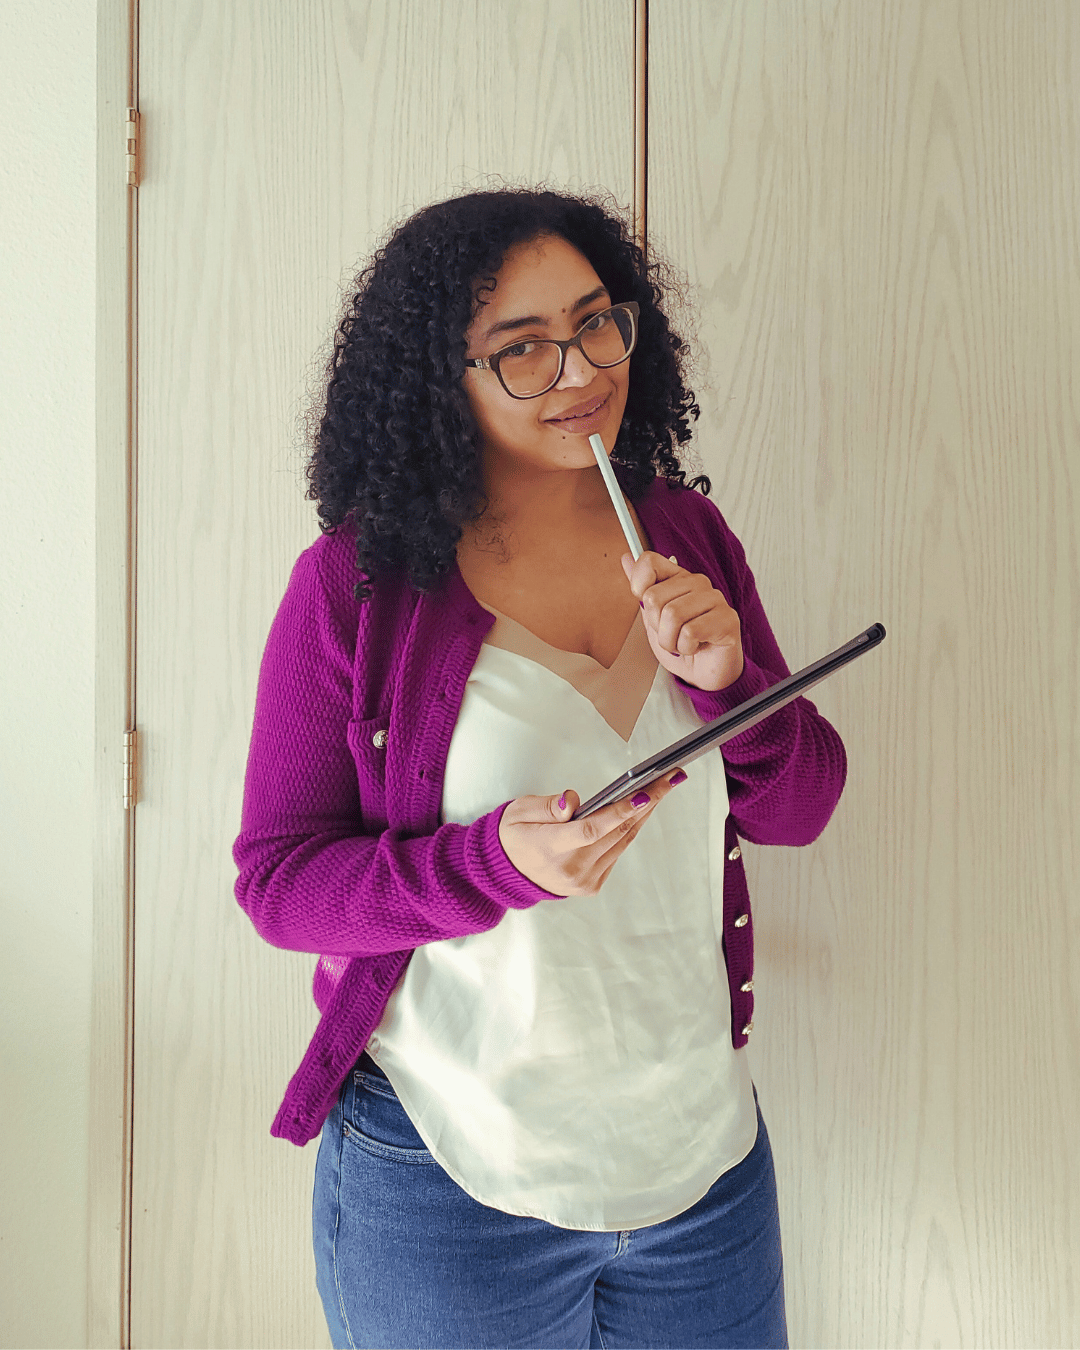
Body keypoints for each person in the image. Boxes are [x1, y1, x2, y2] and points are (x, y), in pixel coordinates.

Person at [233, 186, 847, 1350]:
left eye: (596, 322)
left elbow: (802, 807)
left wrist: (732, 687)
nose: (581, 370)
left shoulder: (685, 536)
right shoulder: (358, 585)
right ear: (439, 376)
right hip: (449, 1177)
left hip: (703, 1171)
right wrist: (491, 867)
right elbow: (279, 884)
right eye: (522, 347)